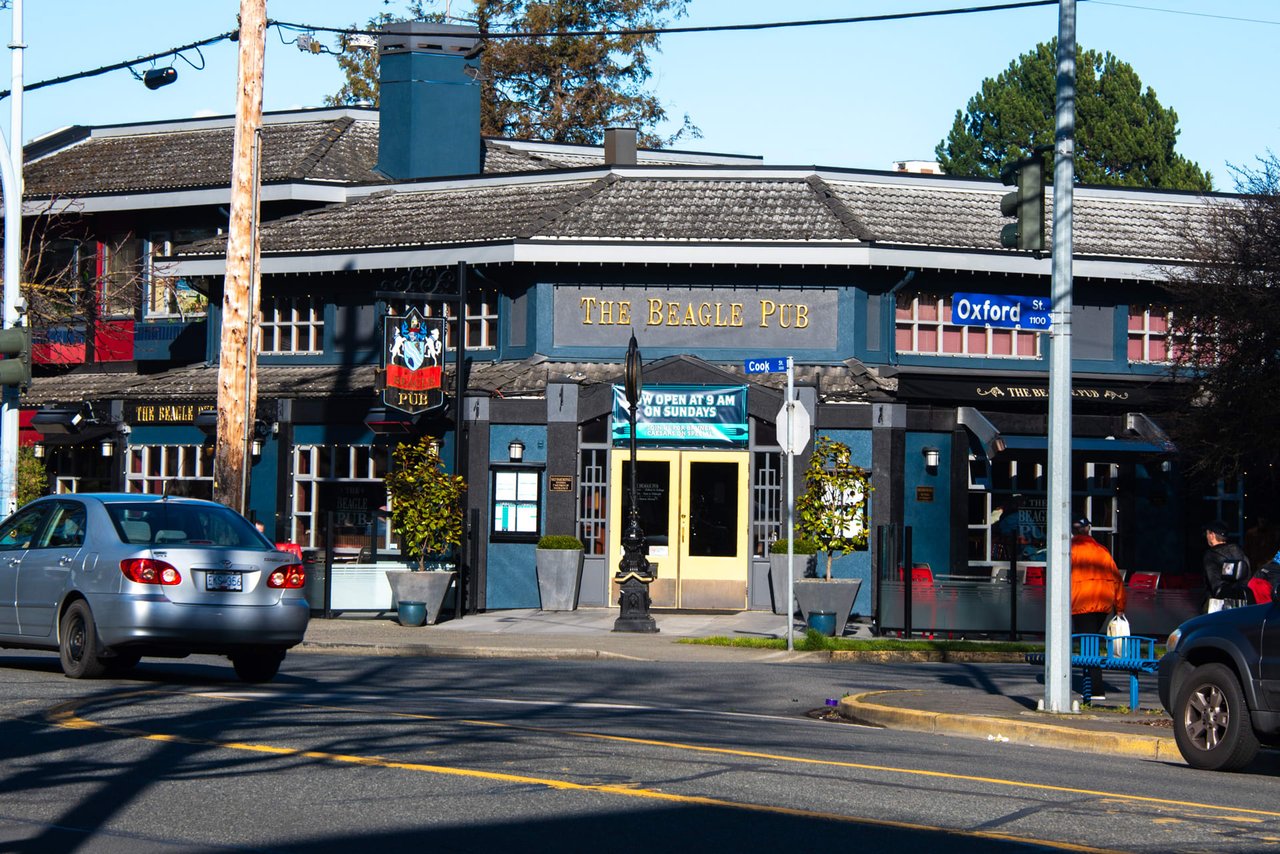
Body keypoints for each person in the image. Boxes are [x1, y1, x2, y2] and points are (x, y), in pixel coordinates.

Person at [1070, 517, 1126, 700]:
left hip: (1080, 601)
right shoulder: (1102, 551)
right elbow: (1117, 579)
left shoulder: (1069, 550)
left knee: (1088, 646)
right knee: (1091, 641)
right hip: (1103, 603)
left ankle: (1094, 689)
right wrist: (1120, 607)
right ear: (1088, 529)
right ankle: (1093, 687)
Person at [1203, 520, 1251, 611]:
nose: (1206, 537)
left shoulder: (1210, 555)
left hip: (1217, 604)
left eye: (1207, 534)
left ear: (1212, 535)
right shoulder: (1238, 550)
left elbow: (1214, 584)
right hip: (1240, 601)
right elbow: (1247, 573)